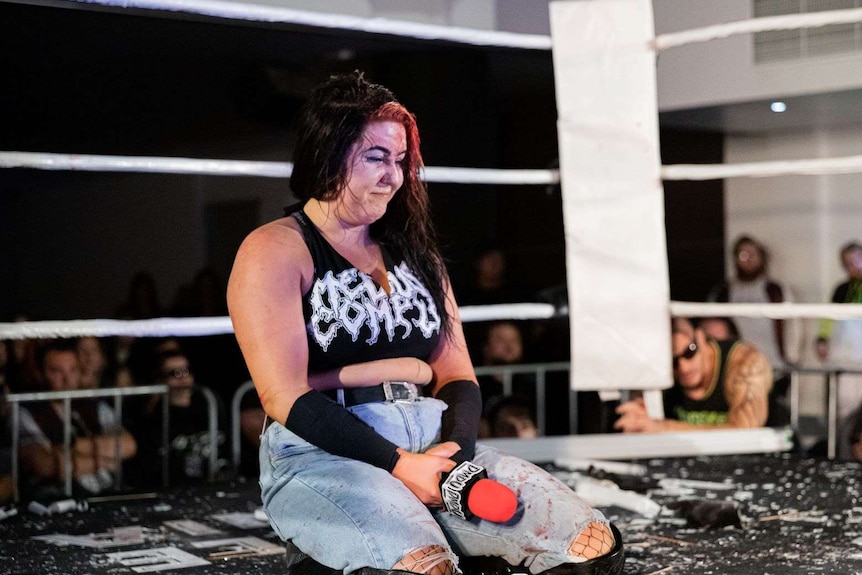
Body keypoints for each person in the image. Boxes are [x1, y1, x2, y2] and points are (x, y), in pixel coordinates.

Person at [227, 72, 622, 575]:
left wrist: (452, 456)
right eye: (375, 157)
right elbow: (283, 394)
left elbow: (457, 372)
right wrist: (398, 465)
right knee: (426, 570)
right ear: (329, 153)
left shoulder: (415, 252)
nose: (392, 175)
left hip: (432, 440)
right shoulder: (275, 249)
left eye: (399, 160)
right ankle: (331, 550)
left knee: (591, 548)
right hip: (331, 453)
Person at [15, 339, 137, 498]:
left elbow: (127, 446)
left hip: (108, 493)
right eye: (56, 371)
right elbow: (45, 465)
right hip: (58, 499)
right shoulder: (26, 412)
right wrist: (106, 461)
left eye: (73, 370)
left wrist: (69, 446)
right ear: (40, 374)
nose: (66, 379)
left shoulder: (94, 405)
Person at [615, 317, 773, 433]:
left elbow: (745, 431)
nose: (683, 367)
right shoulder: (658, 371)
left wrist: (664, 427)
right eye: (672, 361)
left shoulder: (744, 362)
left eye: (689, 351)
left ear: (702, 338)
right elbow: (636, 422)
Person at [707, 235, 801, 397]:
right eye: (743, 255)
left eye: (753, 254)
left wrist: (791, 358)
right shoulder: (723, 292)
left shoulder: (776, 291)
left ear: (762, 258)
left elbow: (794, 326)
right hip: (734, 371)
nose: (748, 259)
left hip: (773, 369)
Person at [129, 348, 226, 486]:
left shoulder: (208, 403)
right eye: (175, 373)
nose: (183, 379)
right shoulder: (153, 419)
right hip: (174, 492)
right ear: (159, 381)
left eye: (186, 371)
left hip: (213, 487)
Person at [815, 241, 862, 459]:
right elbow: (828, 320)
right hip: (846, 363)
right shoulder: (841, 290)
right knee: (845, 413)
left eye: (857, 259)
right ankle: (844, 458)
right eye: (848, 262)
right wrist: (822, 339)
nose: (854, 266)